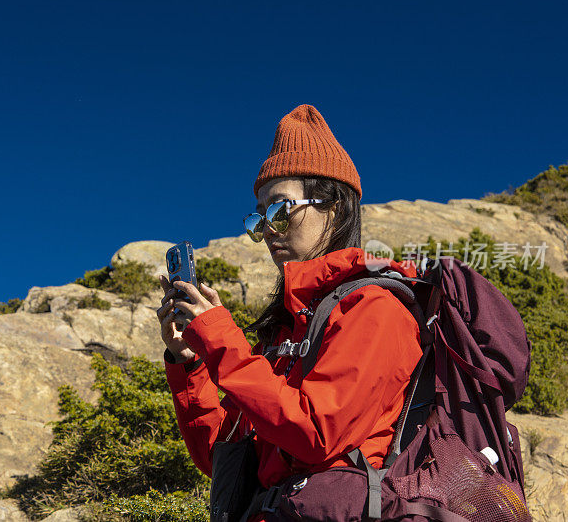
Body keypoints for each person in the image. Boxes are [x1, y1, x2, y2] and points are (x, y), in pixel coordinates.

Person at [156, 104, 422, 521]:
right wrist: (189, 363)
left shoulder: (373, 306)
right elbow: (223, 459)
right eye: (260, 219)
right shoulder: (287, 328)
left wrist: (224, 342)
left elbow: (317, 432)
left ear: (333, 208)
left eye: (280, 211)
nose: (268, 232)